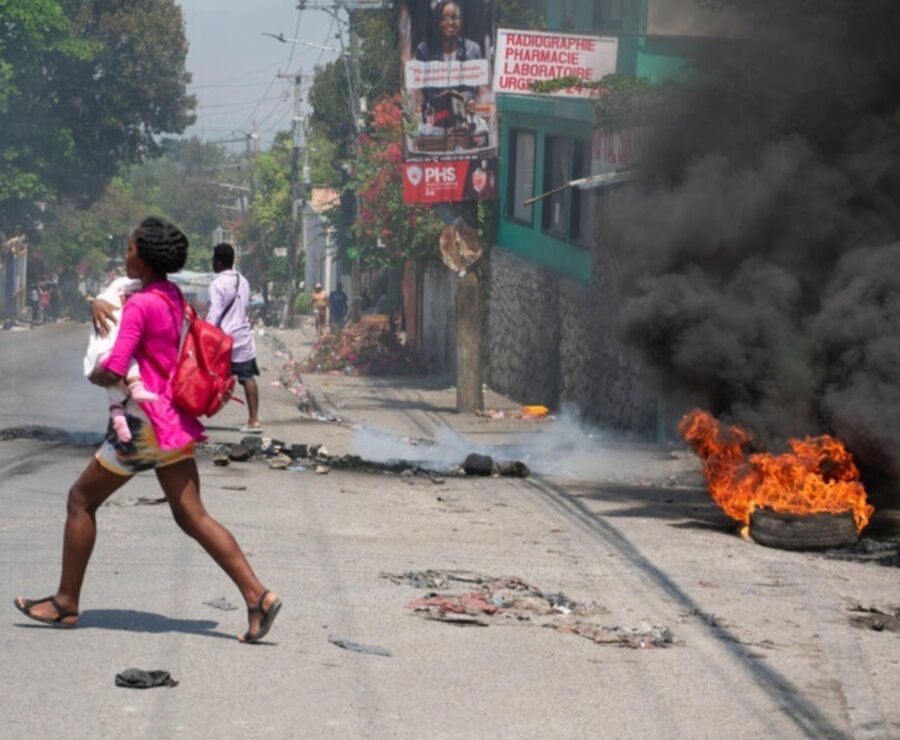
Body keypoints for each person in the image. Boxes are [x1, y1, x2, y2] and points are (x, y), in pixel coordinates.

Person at [14, 217, 281, 643]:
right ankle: (258, 597)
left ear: (145, 257)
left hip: (142, 426)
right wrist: (95, 304)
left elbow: (116, 367)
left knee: (80, 500)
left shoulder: (140, 306)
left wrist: (95, 372)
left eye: (130, 249)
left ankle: (65, 603)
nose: (125, 256)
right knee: (192, 515)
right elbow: (121, 295)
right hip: (171, 420)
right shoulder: (171, 296)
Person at [83, 276, 158, 443]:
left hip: (144, 362)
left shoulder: (159, 293)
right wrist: (98, 302)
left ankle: (118, 436)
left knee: (119, 394)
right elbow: (105, 299)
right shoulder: (124, 287)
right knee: (121, 388)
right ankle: (117, 439)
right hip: (125, 358)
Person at [207, 243, 262, 434]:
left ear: (219, 262)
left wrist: (205, 334)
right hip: (243, 337)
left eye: (213, 259)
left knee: (205, 375)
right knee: (247, 378)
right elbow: (245, 307)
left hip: (223, 340)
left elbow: (215, 313)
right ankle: (254, 420)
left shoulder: (217, 283)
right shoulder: (243, 281)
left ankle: (191, 415)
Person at [415, 0, 482, 131]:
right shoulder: (423, 50)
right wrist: (445, 98)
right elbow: (426, 91)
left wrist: (459, 97)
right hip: (436, 118)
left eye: (455, 18)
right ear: (437, 21)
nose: (450, 22)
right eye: (445, 18)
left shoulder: (473, 49)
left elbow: (473, 89)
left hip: (463, 118)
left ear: (461, 21)